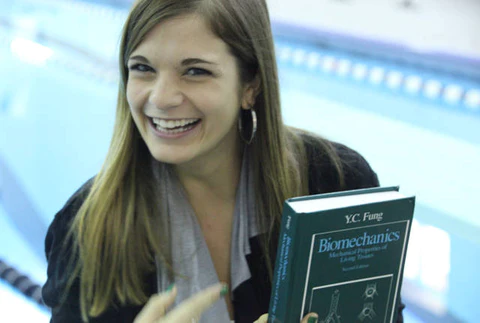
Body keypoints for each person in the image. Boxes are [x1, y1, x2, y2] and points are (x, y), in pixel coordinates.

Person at [42, 0, 405, 322]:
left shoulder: (333, 182)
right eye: (142, 68)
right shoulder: (88, 228)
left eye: (195, 71)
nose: (162, 97)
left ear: (251, 86)